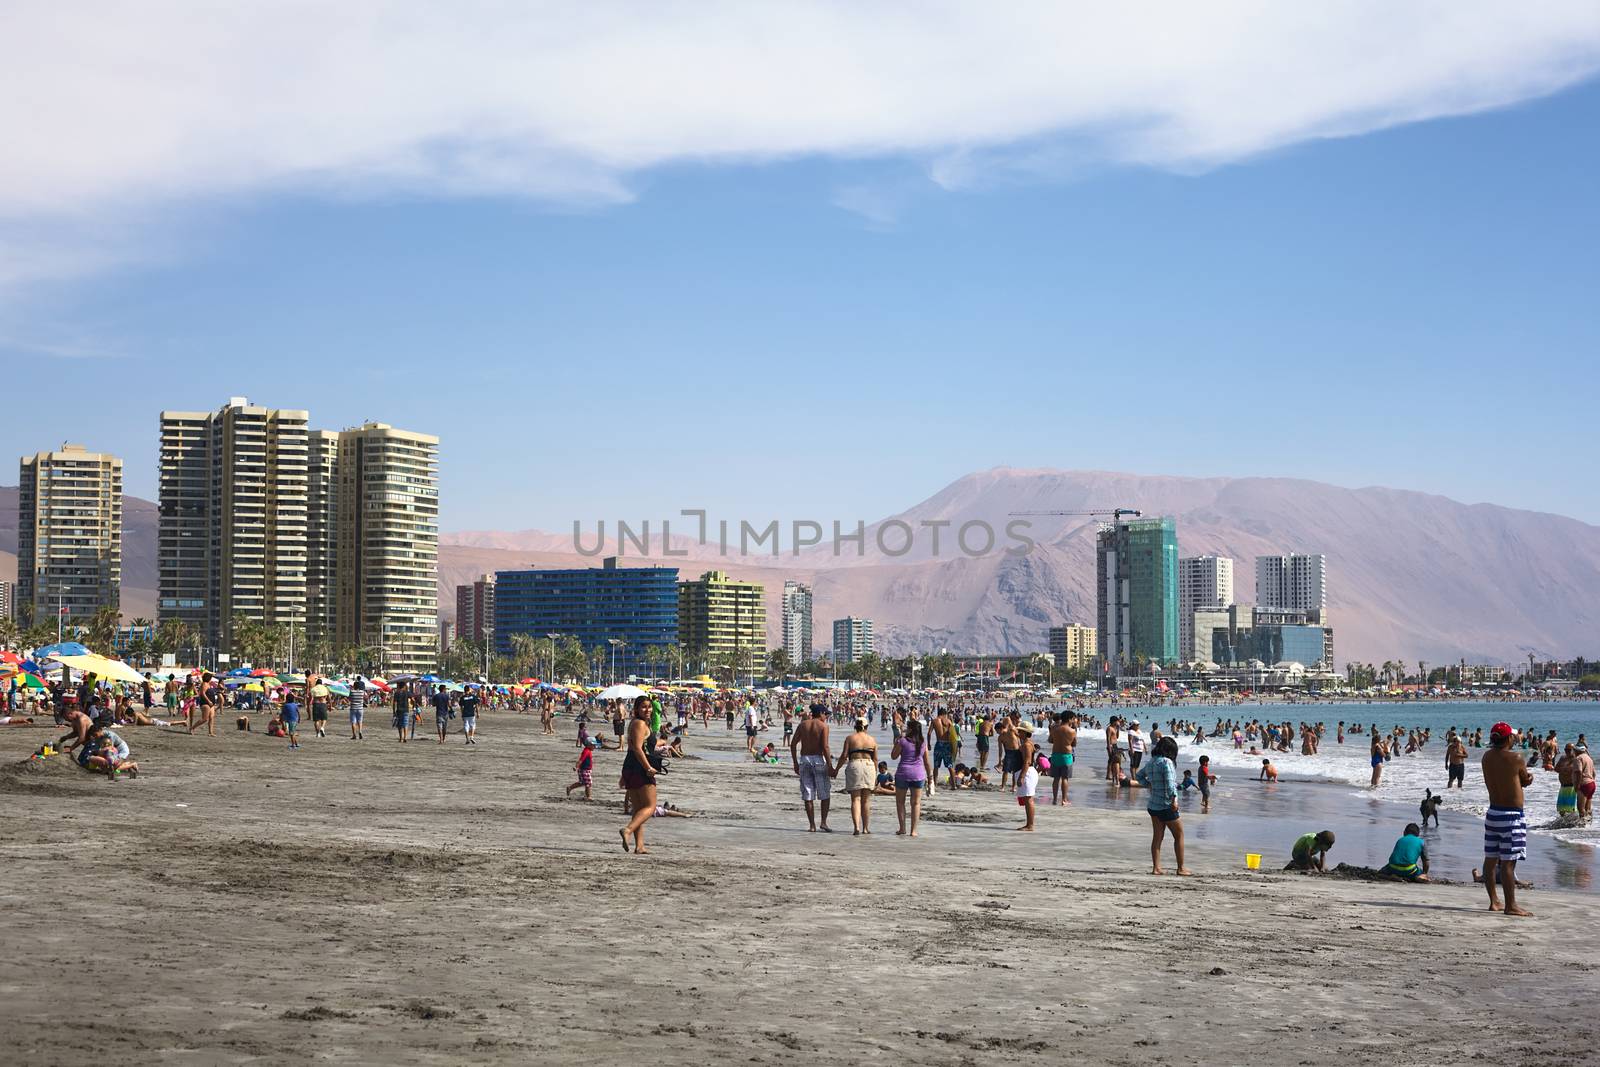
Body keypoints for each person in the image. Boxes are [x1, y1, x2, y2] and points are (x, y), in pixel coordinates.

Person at [1481, 721, 1533, 916]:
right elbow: (1524, 779)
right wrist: (1528, 780)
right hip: (1511, 816)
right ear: (1509, 738)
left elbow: (1504, 779)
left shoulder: (1486, 757)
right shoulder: (1516, 757)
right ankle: (1511, 905)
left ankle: (1494, 901)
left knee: (1490, 859)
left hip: (1493, 812)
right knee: (1509, 863)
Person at [1134, 736, 1188, 874]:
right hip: (1166, 804)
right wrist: (1174, 800)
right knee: (1179, 835)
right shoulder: (1167, 762)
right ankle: (1181, 868)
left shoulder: (1151, 762)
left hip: (1153, 805)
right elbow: (1170, 785)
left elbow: (1139, 776)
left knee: (1157, 837)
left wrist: (1149, 784)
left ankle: (1156, 867)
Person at [619, 696, 658, 854]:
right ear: (636, 709)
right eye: (643, 707)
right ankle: (627, 830)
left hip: (630, 766)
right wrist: (648, 767)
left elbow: (635, 747)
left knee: (638, 809)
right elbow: (637, 748)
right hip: (639, 767)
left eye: (649, 707)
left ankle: (639, 846)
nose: (647, 710)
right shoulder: (639, 724)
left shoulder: (637, 723)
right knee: (650, 806)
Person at [790, 704, 833, 832]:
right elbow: (825, 747)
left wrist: (795, 763)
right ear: (820, 713)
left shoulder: (803, 725)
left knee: (808, 794)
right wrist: (830, 766)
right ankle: (823, 822)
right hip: (818, 759)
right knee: (824, 793)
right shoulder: (823, 726)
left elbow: (793, 744)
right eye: (825, 714)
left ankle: (812, 825)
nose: (826, 717)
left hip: (804, 760)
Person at [835, 716, 878, 835]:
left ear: (855, 726)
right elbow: (875, 759)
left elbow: (844, 756)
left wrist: (836, 769)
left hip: (855, 764)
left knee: (855, 799)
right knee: (866, 800)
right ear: (866, 727)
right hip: (869, 766)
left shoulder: (850, 738)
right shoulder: (872, 740)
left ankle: (856, 828)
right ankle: (865, 828)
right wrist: (876, 774)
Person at [893, 718, 931, 837]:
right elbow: (927, 762)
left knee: (900, 802)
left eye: (907, 728)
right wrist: (930, 777)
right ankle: (913, 831)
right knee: (916, 803)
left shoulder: (903, 741)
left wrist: (896, 742)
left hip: (903, 773)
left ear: (911, 730)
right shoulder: (923, 743)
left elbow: (894, 756)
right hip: (918, 774)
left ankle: (902, 828)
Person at [1048, 711, 1076, 806]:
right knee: (1065, 778)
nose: (1074, 720)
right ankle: (1064, 800)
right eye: (1073, 719)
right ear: (1069, 719)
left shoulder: (1054, 729)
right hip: (1066, 755)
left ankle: (1055, 799)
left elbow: (1050, 740)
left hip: (1055, 754)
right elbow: (1074, 744)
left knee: (1056, 778)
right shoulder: (1072, 731)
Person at [1015, 726, 1039, 831]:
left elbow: (1027, 761)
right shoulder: (1028, 743)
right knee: (1027, 799)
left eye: (1020, 731)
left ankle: (1030, 825)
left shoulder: (1026, 745)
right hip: (1028, 771)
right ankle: (1029, 824)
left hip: (1027, 772)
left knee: (1029, 799)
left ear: (1025, 733)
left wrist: (1022, 776)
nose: (1018, 732)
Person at [1574, 744, 1595, 822]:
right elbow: (1594, 773)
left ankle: (1583, 825)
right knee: (1588, 808)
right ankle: (1589, 824)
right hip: (1591, 784)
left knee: (1581, 808)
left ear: (1577, 751)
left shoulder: (1578, 758)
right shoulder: (1589, 758)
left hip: (1584, 784)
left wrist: (1577, 784)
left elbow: (1579, 771)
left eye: (1574, 750)